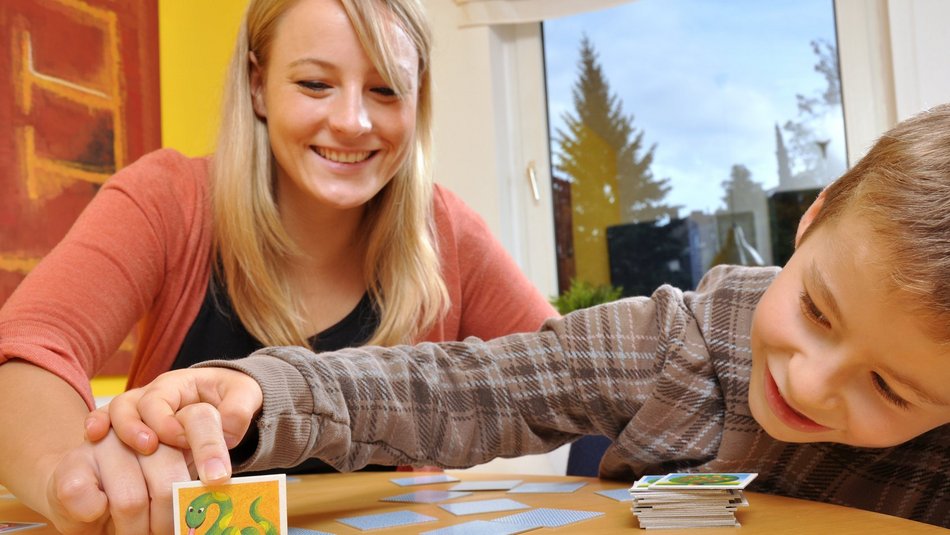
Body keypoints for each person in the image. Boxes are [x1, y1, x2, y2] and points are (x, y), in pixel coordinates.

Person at [92, 103, 950, 529]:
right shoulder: (684, 340)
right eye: (816, 310)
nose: (810, 379)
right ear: (815, 213)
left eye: (889, 386)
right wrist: (258, 389)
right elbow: (465, 386)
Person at [0, 0, 556, 533]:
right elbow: (28, 349)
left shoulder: (446, 232)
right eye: (315, 83)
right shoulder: (168, 200)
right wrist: (62, 473)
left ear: (418, 101)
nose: (353, 121)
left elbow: (567, 374)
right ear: (258, 84)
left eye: (386, 90)